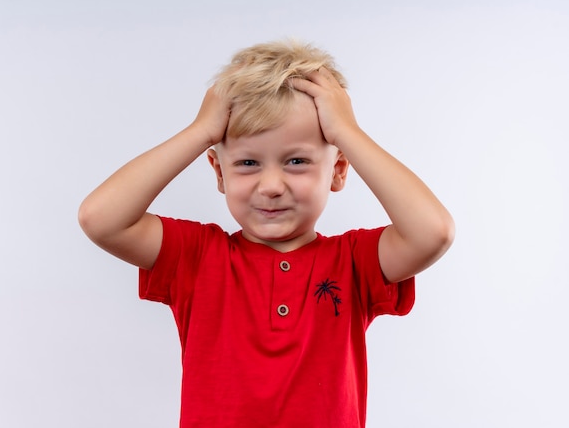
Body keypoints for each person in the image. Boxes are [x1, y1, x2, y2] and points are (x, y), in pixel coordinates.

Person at [78, 39, 455, 428]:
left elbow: (433, 232)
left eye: (297, 161)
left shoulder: (355, 261)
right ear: (219, 172)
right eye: (247, 162)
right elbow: (100, 218)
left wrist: (347, 131)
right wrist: (201, 130)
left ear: (340, 169)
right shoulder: (197, 256)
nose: (271, 185)